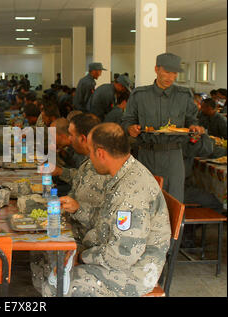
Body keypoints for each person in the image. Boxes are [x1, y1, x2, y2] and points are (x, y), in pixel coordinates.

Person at [40, 122, 171, 297]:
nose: (90, 158)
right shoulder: (122, 174)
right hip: (117, 257)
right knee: (53, 264)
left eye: (91, 152)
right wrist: (78, 213)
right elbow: (105, 220)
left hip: (135, 271)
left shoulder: (130, 192)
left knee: (57, 286)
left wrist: (81, 257)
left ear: (100, 153)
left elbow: (123, 255)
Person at [121, 52, 205, 202]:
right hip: (146, 154)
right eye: (167, 72)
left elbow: (192, 119)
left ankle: (174, 226)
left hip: (174, 156)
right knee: (146, 200)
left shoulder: (184, 95)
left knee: (174, 201)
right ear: (156, 69)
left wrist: (195, 128)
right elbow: (127, 120)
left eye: (174, 73)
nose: (170, 77)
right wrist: (130, 128)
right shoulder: (140, 95)